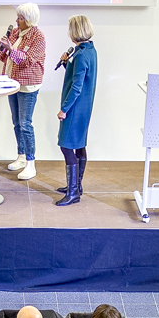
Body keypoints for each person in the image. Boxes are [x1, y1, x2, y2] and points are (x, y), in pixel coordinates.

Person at [0, 3, 47, 181]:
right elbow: (3, 57)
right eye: (17, 17)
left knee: (25, 124)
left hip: (28, 85)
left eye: (20, 18)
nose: (16, 21)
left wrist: (12, 50)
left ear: (28, 20)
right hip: (12, 83)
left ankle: (30, 163)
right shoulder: (15, 32)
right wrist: (4, 47)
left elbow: (27, 61)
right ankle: (20, 156)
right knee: (16, 122)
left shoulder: (38, 37)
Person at [54, 15, 96, 206]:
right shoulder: (89, 51)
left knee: (66, 145)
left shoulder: (80, 55)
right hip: (84, 106)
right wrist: (66, 64)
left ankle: (73, 193)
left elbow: (76, 87)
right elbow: (79, 78)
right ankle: (76, 186)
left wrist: (64, 109)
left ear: (75, 32)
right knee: (79, 144)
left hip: (75, 107)